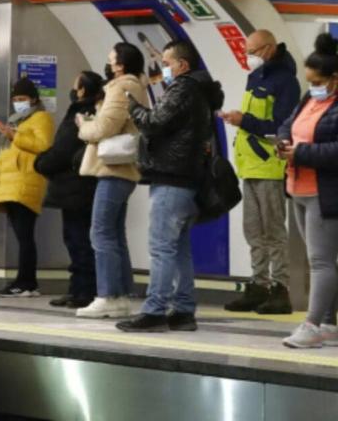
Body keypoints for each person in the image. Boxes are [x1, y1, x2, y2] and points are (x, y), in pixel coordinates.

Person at [117, 40, 223, 333]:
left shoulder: (183, 88)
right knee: (179, 249)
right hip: (188, 179)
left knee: (162, 248)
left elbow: (154, 122)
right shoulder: (201, 91)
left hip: (172, 178)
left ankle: (154, 311)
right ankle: (184, 310)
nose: (162, 68)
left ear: (182, 65)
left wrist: (133, 107)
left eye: (166, 63)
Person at [220, 29, 300, 314]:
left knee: (273, 230)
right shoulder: (256, 77)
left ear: (268, 49)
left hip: (270, 164)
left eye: (251, 51)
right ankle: (258, 285)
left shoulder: (286, 81)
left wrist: (245, 121)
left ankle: (280, 289)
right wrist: (238, 119)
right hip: (250, 165)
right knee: (253, 230)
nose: (247, 57)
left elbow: (281, 126)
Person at [75, 43, 149, 319]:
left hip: (114, 168)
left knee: (101, 231)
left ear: (120, 65)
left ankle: (107, 295)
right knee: (114, 233)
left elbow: (107, 126)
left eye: (111, 59)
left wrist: (84, 128)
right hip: (124, 169)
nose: (108, 64)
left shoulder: (120, 88)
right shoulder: (137, 86)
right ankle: (119, 295)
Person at [277, 34, 338, 349]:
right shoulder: (310, 98)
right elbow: (289, 123)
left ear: (334, 79)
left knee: (321, 260)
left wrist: (300, 153)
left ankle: (312, 325)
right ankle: (328, 322)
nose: (312, 85)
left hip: (325, 193)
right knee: (322, 259)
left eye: (317, 81)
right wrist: (283, 141)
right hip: (298, 187)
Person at [35, 71, 104, 308]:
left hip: (74, 187)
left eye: (76, 86)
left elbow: (62, 150)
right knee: (82, 238)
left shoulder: (79, 112)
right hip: (86, 184)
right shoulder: (98, 110)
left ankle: (83, 291)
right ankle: (80, 288)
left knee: (77, 239)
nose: (73, 90)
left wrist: (41, 162)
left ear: (83, 90)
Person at [0, 77, 54, 298]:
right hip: (11, 184)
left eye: (22, 98)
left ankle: (26, 281)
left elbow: (43, 146)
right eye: (15, 99)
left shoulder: (41, 117)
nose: (18, 102)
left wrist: (14, 135)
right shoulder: (17, 120)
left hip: (26, 183)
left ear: (33, 99)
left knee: (25, 236)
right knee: (20, 235)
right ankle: (23, 280)